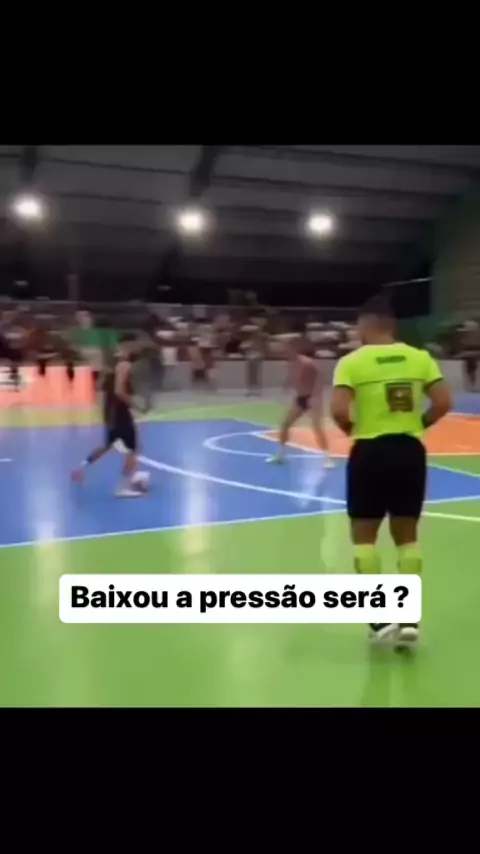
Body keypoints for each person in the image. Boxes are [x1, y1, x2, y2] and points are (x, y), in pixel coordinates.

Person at [330, 299, 451, 649]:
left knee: (364, 536)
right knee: (407, 536)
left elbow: (338, 410)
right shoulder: (420, 358)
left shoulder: (352, 362)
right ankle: (409, 620)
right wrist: (418, 424)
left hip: (370, 452)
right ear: (392, 325)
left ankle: (379, 617)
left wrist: (354, 430)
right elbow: (443, 402)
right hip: (409, 452)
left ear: (366, 325)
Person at [71, 334, 148, 497]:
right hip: (120, 411)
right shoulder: (124, 365)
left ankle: (80, 468)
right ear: (126, 346)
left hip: (112, 411)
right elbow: (119, 391)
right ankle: (123, 487)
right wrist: (136, 405)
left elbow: (101, 385)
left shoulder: (113, 363)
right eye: (134, 345)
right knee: (133, 448)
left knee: (108, 445)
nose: (136, 348)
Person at [269, 336, 333, 466]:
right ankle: (280, 455)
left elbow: (319, 381)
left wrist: (315, 398)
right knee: (285, 424)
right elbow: (292, 378)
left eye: (287, 349)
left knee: (317, 428)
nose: (284, 352)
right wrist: (285, 387)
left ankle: (328, 459)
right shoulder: (290, 364)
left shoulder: (307, 363)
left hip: (313, 399)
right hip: (301, 398)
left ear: (294, 349)